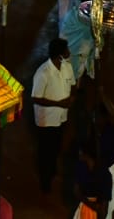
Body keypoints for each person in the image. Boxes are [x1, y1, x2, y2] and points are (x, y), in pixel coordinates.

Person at [31, 39, 75, 194]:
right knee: (45, 151)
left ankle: (52, 170)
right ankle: (45, 181)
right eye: (66, 48)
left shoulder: (67, 67)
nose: (69, 51)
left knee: (56, 146)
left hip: (61, 118)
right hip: (46, 120)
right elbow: (35, 98)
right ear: (60, 53)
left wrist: (71, 97)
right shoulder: (43, 73)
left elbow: (73, 84)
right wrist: (59, 104)